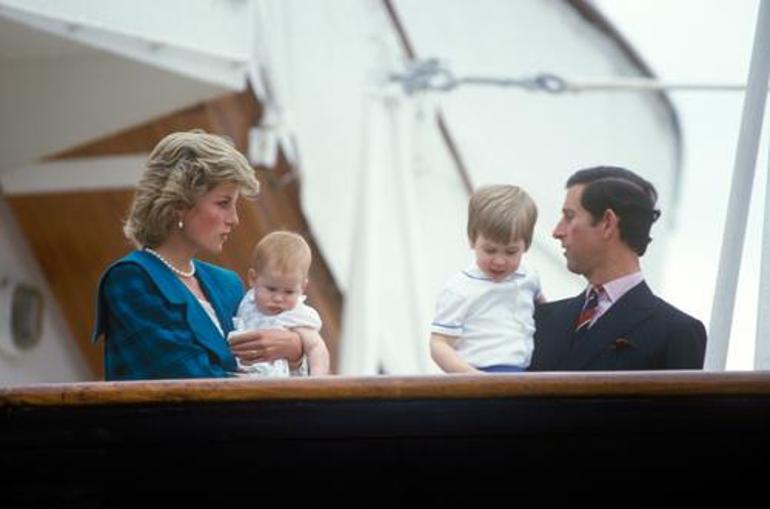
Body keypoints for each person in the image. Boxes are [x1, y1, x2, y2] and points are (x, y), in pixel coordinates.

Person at [92, 129, 304, 380]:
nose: (234, 220)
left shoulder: (228, 284)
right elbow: (187, 380)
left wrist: (296, 349)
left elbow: (274, 365)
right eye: (223, 203)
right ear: (180, 203)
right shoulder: (131, 279)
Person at [529, 166, 707, 371]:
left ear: (607, 223)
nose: (557, 231)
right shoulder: (540, 320)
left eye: (569, 216)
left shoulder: (677, 333)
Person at [430, 184, 544, 373]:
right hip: (480, 373)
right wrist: (473, 378)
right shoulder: (460, 288)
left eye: (510, 252)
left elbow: (544, 314)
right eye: (490, 250)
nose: (499, 261)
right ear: (473, 239)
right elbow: (439, 344)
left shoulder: (529, 277)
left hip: (525, 374)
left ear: (526, 245)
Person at [230, 230, 330, 376]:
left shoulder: (295, 315)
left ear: (302, 288)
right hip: (241, 379)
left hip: (278, 386)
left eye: (289, 292)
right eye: (271, 289)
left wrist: (317, 380)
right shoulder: (247, 303)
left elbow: (317, 348)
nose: (278, 298)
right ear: (253, 279)